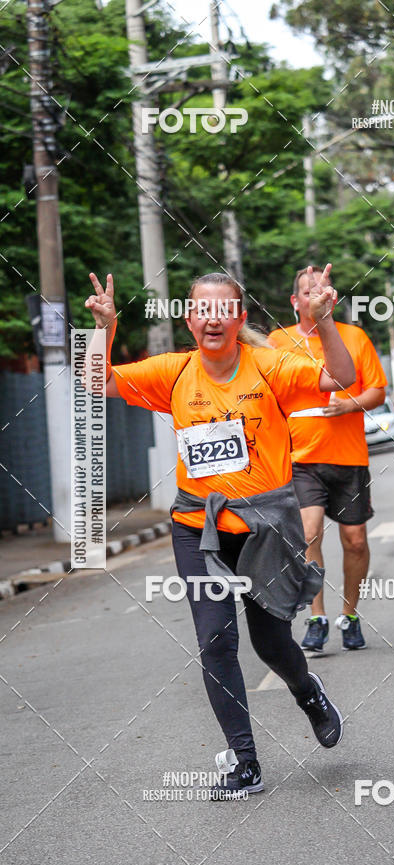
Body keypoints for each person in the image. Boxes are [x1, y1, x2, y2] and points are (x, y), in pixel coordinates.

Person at [84, 266, 355, 798]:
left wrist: (324, 321)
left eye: (223, 310)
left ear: (239, 318)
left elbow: (340, 379)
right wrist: (105, 330)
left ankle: (307, 691)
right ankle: (245, 762)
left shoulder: (270, 365)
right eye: (202, 310)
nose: (213, 320)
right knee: (214, 640)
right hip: (198, 529)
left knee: (271, 643)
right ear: (190, 320)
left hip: (265, 527)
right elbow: (99, 381)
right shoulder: (174, 372)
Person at [269, 266, 387, 653]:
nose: (315, 296)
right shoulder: (276, 342)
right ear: (295, 301)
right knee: (309, 533)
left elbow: (378, 392)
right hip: (299, 458)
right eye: (307, 291)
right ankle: (316, 617)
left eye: (323, 290)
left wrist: (349, 405)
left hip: (348, 457)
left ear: (333, 298)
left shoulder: (354, 337)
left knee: (354, 541)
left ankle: (349, 615)